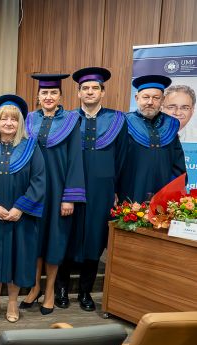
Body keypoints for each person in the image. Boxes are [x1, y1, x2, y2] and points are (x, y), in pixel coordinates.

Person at [59, 67, 127, 311]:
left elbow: (122, 157)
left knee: (95, 238)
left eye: (94, 88)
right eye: (85, 88)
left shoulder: (117, 120)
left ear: (102, 92)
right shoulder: (66, 120)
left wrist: (116, 188)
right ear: (78, 93)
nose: (89, 92)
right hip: (71, 186)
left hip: (102, 188)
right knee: (68, 235)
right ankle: (62, 288)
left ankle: (86, 292)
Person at [0, 95, 45, 322]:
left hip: (20, 217)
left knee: (17, 258)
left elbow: (39, 180)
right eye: (4, 119)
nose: (8, 123)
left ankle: (13, 302)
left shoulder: (32, 148)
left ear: (20, 122)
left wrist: (20, 208)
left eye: (14, 120)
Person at [20, 74, 84, 315]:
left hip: (58, 189)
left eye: (53, 93)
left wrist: (69, 196)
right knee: (35, 240)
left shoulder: (71, 120)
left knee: (54, 241)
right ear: (38, 97)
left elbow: (76, 160)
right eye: (44, 93)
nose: (48, 97)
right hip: (33, 190)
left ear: (60, 97)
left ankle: (49, 292)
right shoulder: (28, 120)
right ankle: (34, 287)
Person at [117, 75, 186, 202]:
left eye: (156, 98)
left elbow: (178, 163)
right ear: (137, 98)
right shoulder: (123, 122)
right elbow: (116, 161)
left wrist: (173, 190)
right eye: (146, 97)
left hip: (163, 191)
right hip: (131, 190)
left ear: (163, 100)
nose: (150, 102)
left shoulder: (171, 125)